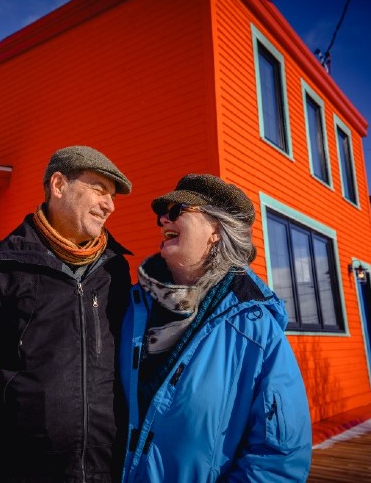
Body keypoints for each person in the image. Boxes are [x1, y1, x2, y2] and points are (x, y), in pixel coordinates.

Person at [0, 146, 133, 482]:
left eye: (113, 196)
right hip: (20, 468)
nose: (110, 205)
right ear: (59, 185)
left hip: (107, 468)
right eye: (99, 191)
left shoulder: (115, 270)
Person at [119, 174, 312, 482]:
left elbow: (279, 460)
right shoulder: (130, 306)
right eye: (162, 212)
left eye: (177, 209)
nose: (162, 218)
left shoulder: (256, 329)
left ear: (216, 231)